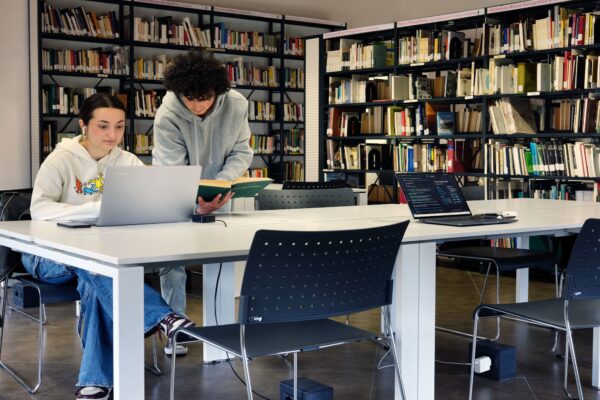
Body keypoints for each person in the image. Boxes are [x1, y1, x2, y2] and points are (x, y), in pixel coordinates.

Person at [21, 93, 194, 400]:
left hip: (96, 258)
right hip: (47, 257)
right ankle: (161, 316)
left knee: (95, 279)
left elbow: (146, 203)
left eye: (118, 126)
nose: (112, 135)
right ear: (83, 126)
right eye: (102, 126)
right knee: (95, 265)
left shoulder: (127, 162)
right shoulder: (61, 159)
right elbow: (40, 210)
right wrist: (94, 209)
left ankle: (94, 381)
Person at [152, 50, 253, 355]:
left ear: (218, 90)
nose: (198, 105)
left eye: (205, 97)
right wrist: (194, 202)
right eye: (190, 98)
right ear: (178, 92)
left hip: (221, 190)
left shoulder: (237, 104)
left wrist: (221, 183)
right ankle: (176, 330)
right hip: (175, 190)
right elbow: (173, 168)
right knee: (172, 262)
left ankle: (220, 334)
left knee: (221, 257)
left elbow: (242, 151)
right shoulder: (167, 115)